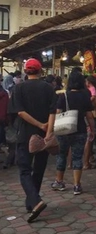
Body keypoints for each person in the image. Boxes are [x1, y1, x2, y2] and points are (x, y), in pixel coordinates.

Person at [11, 58, 57, 223]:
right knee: (38, 170)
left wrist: (38, 124)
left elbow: (20, 113)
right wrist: (48, 130)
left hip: (25, 135)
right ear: (40, 71)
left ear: (26, 71)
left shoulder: (18, 88)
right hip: (43, 137)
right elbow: (53, 111)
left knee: (24, 170)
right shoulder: (48, 88)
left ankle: (35, 201)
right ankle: (32, 202)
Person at [49, 71, 95, 195]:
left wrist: (53, 129)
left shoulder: (64, 96)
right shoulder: (85, 96)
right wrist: (92, 129)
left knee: (62, 155)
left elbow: (57, 113)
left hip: (64, 131)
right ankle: (76, 185)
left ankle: (59, 181)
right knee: (77, 156)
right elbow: (89, 116)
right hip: (80, 130)